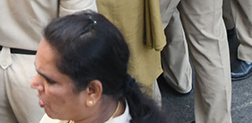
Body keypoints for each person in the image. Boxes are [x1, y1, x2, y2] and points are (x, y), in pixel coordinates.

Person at [33, 12, 167, 123]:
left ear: (92, 91)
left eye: (50, 80)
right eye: (38, 72)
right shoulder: (70, 113)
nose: (34, 83)